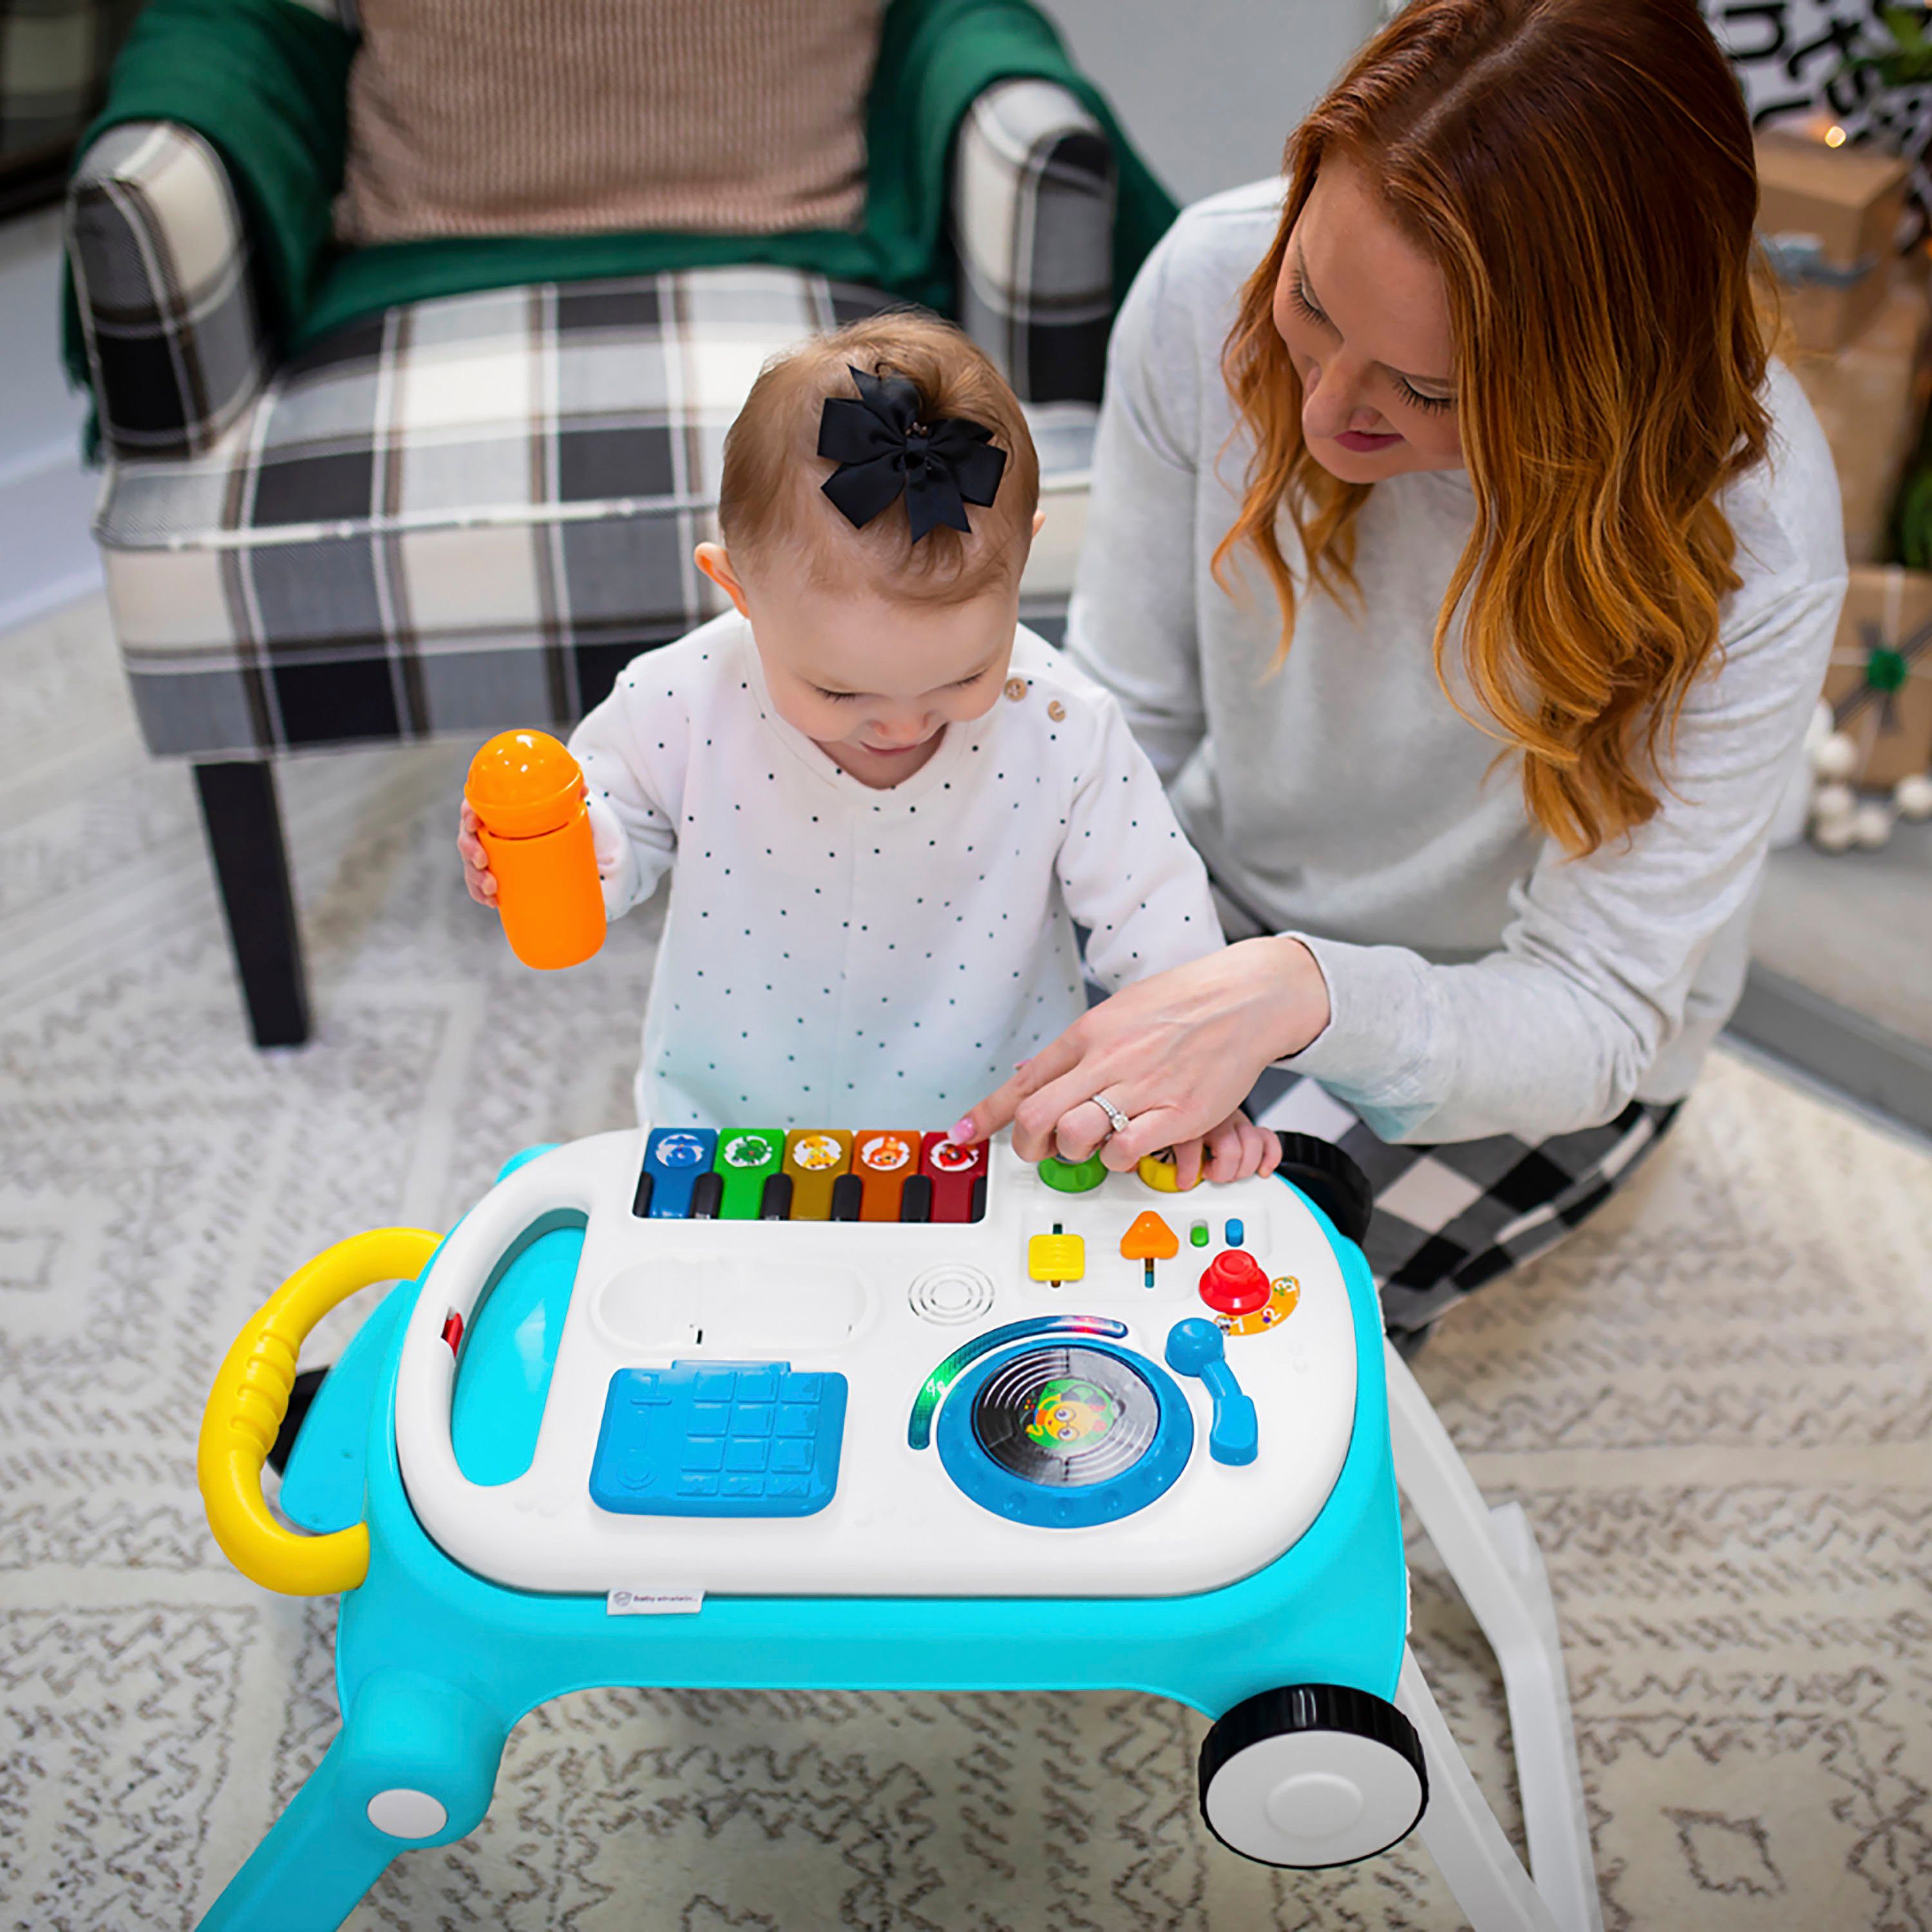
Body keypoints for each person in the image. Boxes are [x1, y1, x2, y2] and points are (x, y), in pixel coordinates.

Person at [957, 0, 1847, 1338]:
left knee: (1216, 1319)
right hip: (1219, 907)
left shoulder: (1753, 534)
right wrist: (1127, 957)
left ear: (1596, 379)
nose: (1322, 414)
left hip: (1510, 1025)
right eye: (1313, 302)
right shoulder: (1210, 281)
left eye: (1428, 393)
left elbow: (1595, 1010)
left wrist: (1299, 995)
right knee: (967, 1210)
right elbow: (1123, 721)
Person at [459, 312, 1278, 1177]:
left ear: (1022, 567)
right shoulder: (681, 696)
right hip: (734, 1131)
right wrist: (560, 857)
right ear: (738, 587)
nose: (902, 726)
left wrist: (1194, 1083)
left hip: (987, 1145)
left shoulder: (1062, 727)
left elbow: (1160, 927)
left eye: (962, 678)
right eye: (841, 691)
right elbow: (614, 823)